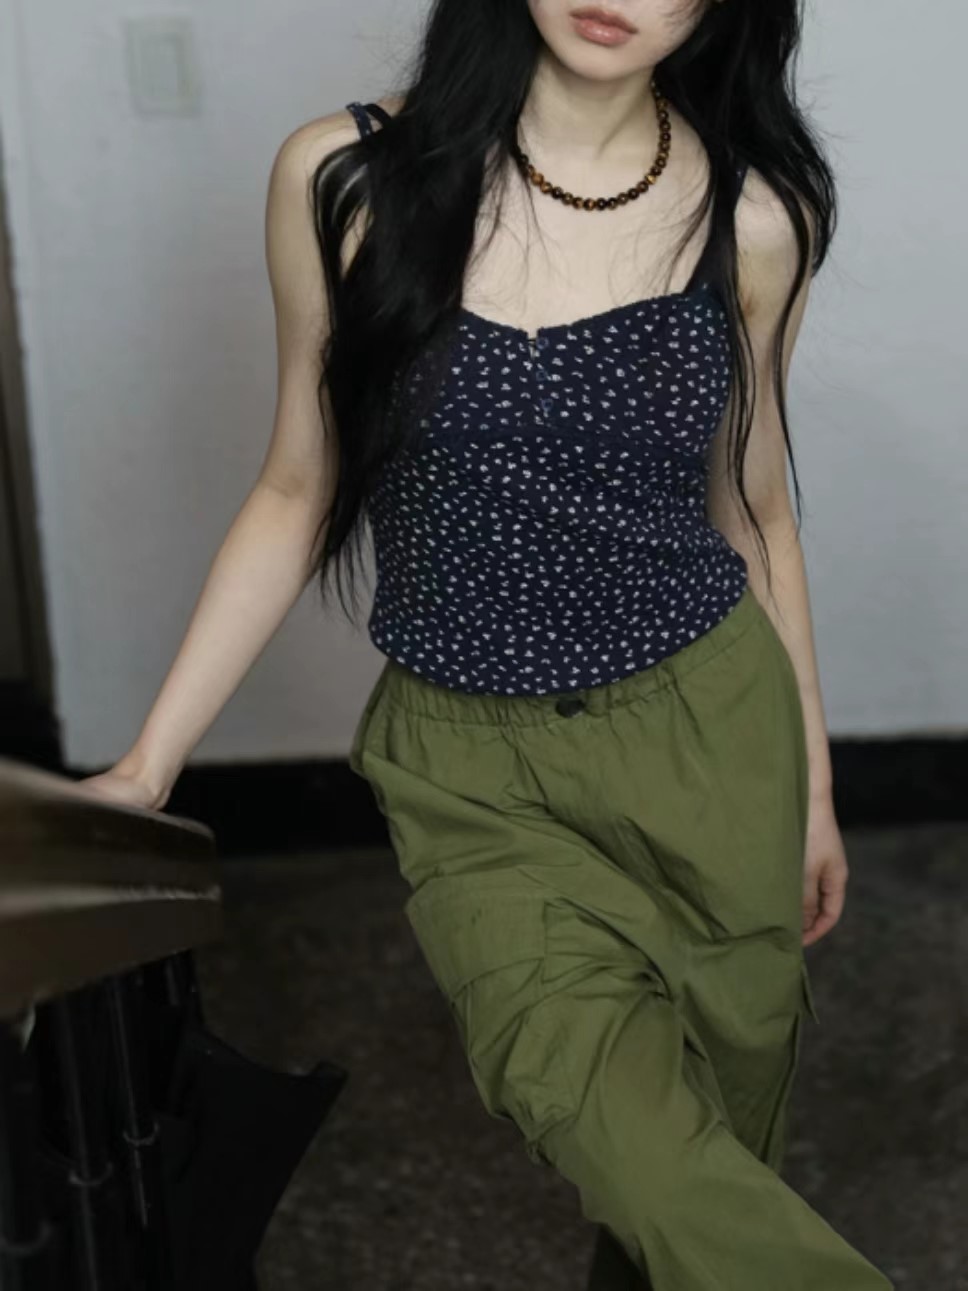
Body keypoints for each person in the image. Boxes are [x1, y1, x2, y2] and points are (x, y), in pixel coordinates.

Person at [80, 1, 895, 1287]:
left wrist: (812, 790)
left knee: (713, 1166)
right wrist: (146, 766)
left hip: (711, 737)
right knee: (632, 1142)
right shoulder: (345, 180)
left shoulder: (753, 214)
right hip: (473, 772)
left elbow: (753, 515)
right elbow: (295, 487)